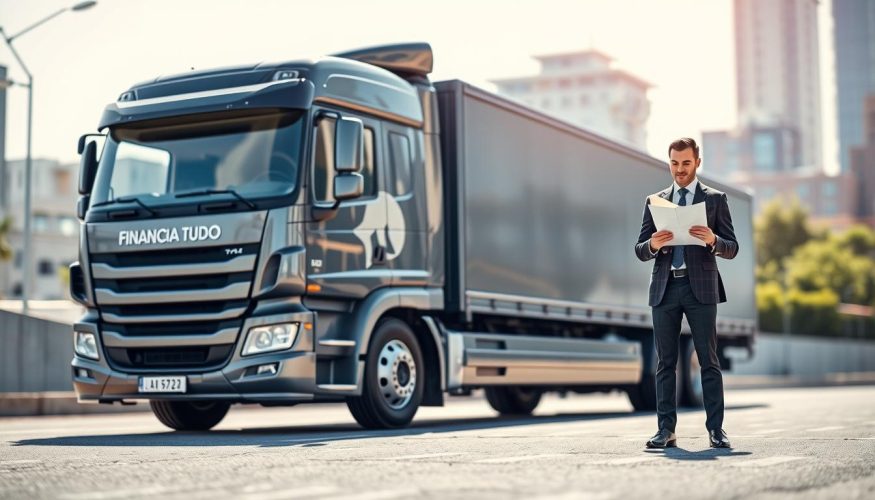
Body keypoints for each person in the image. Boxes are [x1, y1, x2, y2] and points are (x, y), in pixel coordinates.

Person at [634, 137, 738, 449]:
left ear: (697, 162)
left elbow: (732, 248)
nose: (680, 169)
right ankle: (666, 430)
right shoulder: (655, 201)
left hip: (701, 288)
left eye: (686, 163)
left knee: (708, 360)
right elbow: (640, 249)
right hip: (665, 288)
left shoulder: (715, 200)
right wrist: (653, 244)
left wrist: (712, 239)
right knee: (665, 363)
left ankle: (716, 431)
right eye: (675, 163)